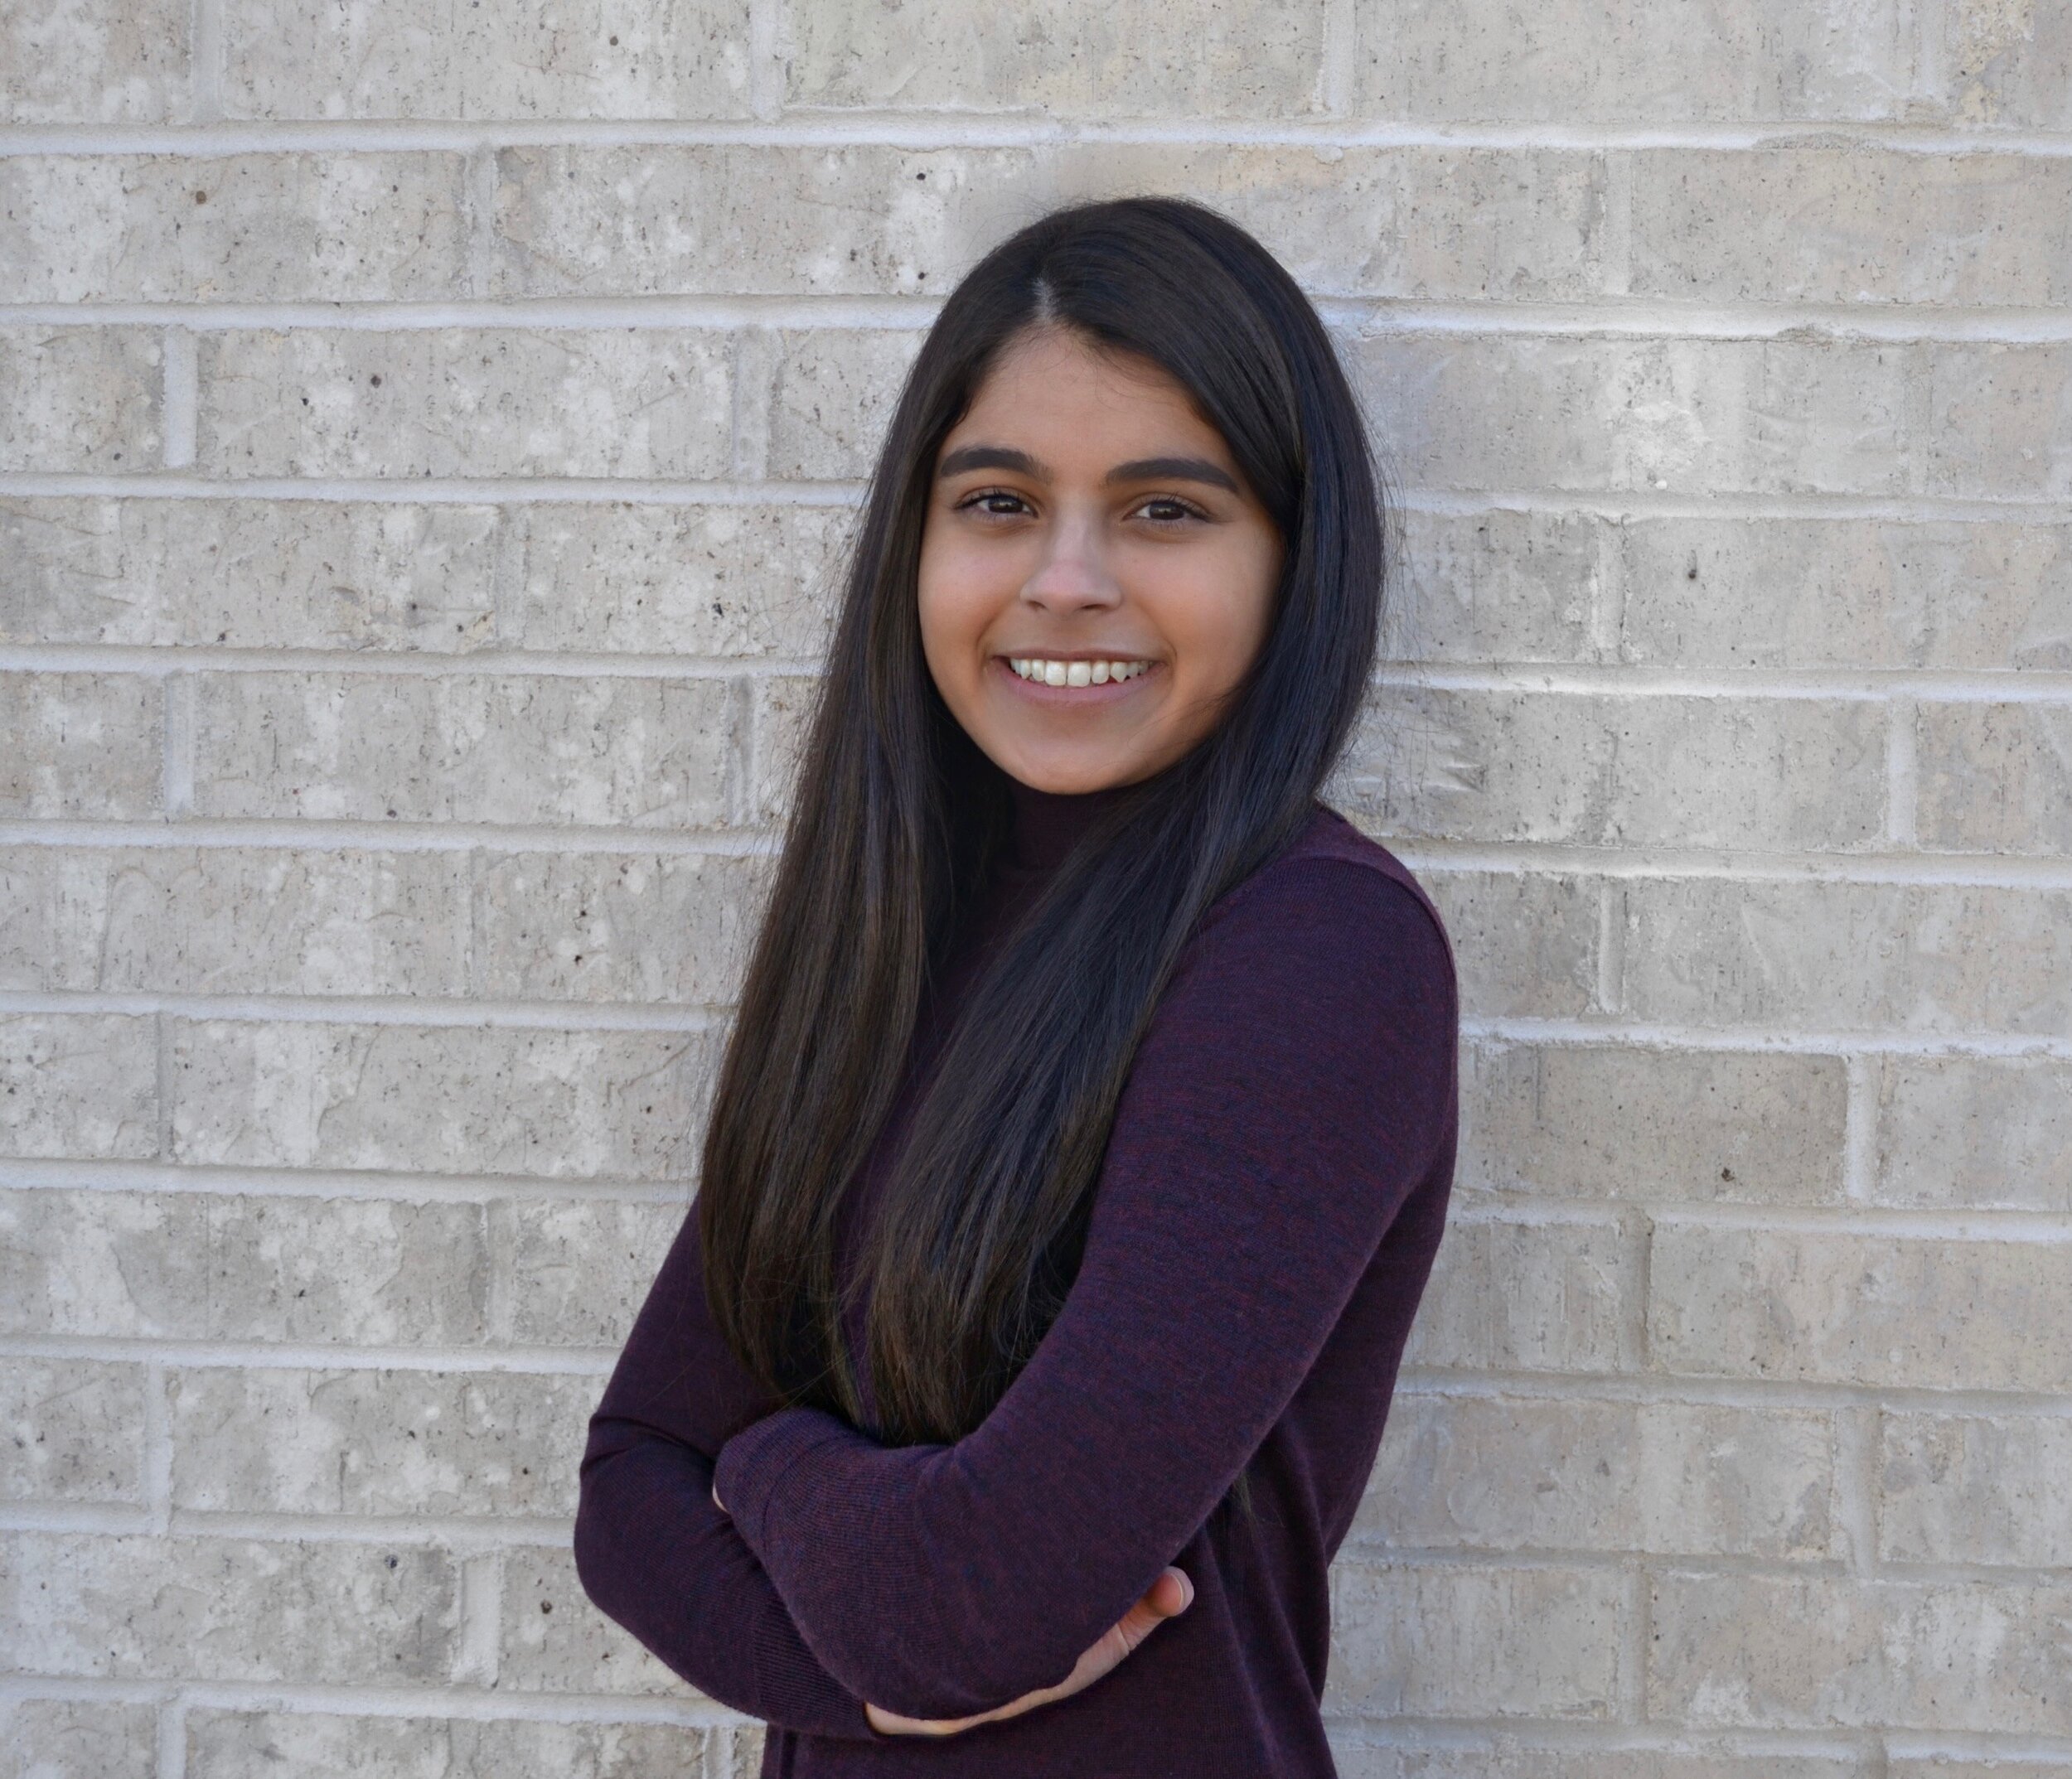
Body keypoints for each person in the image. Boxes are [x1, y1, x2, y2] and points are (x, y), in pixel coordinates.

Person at [573, 196, 1459, 1777]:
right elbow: (630, 1485)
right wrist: (863, 1677)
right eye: (998, 501)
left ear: (1292, 563)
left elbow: (973, 1607)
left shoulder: (1317, 954)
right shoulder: (900, 931)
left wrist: (770, 1461)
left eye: (1166, 511)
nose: (1065, 580)